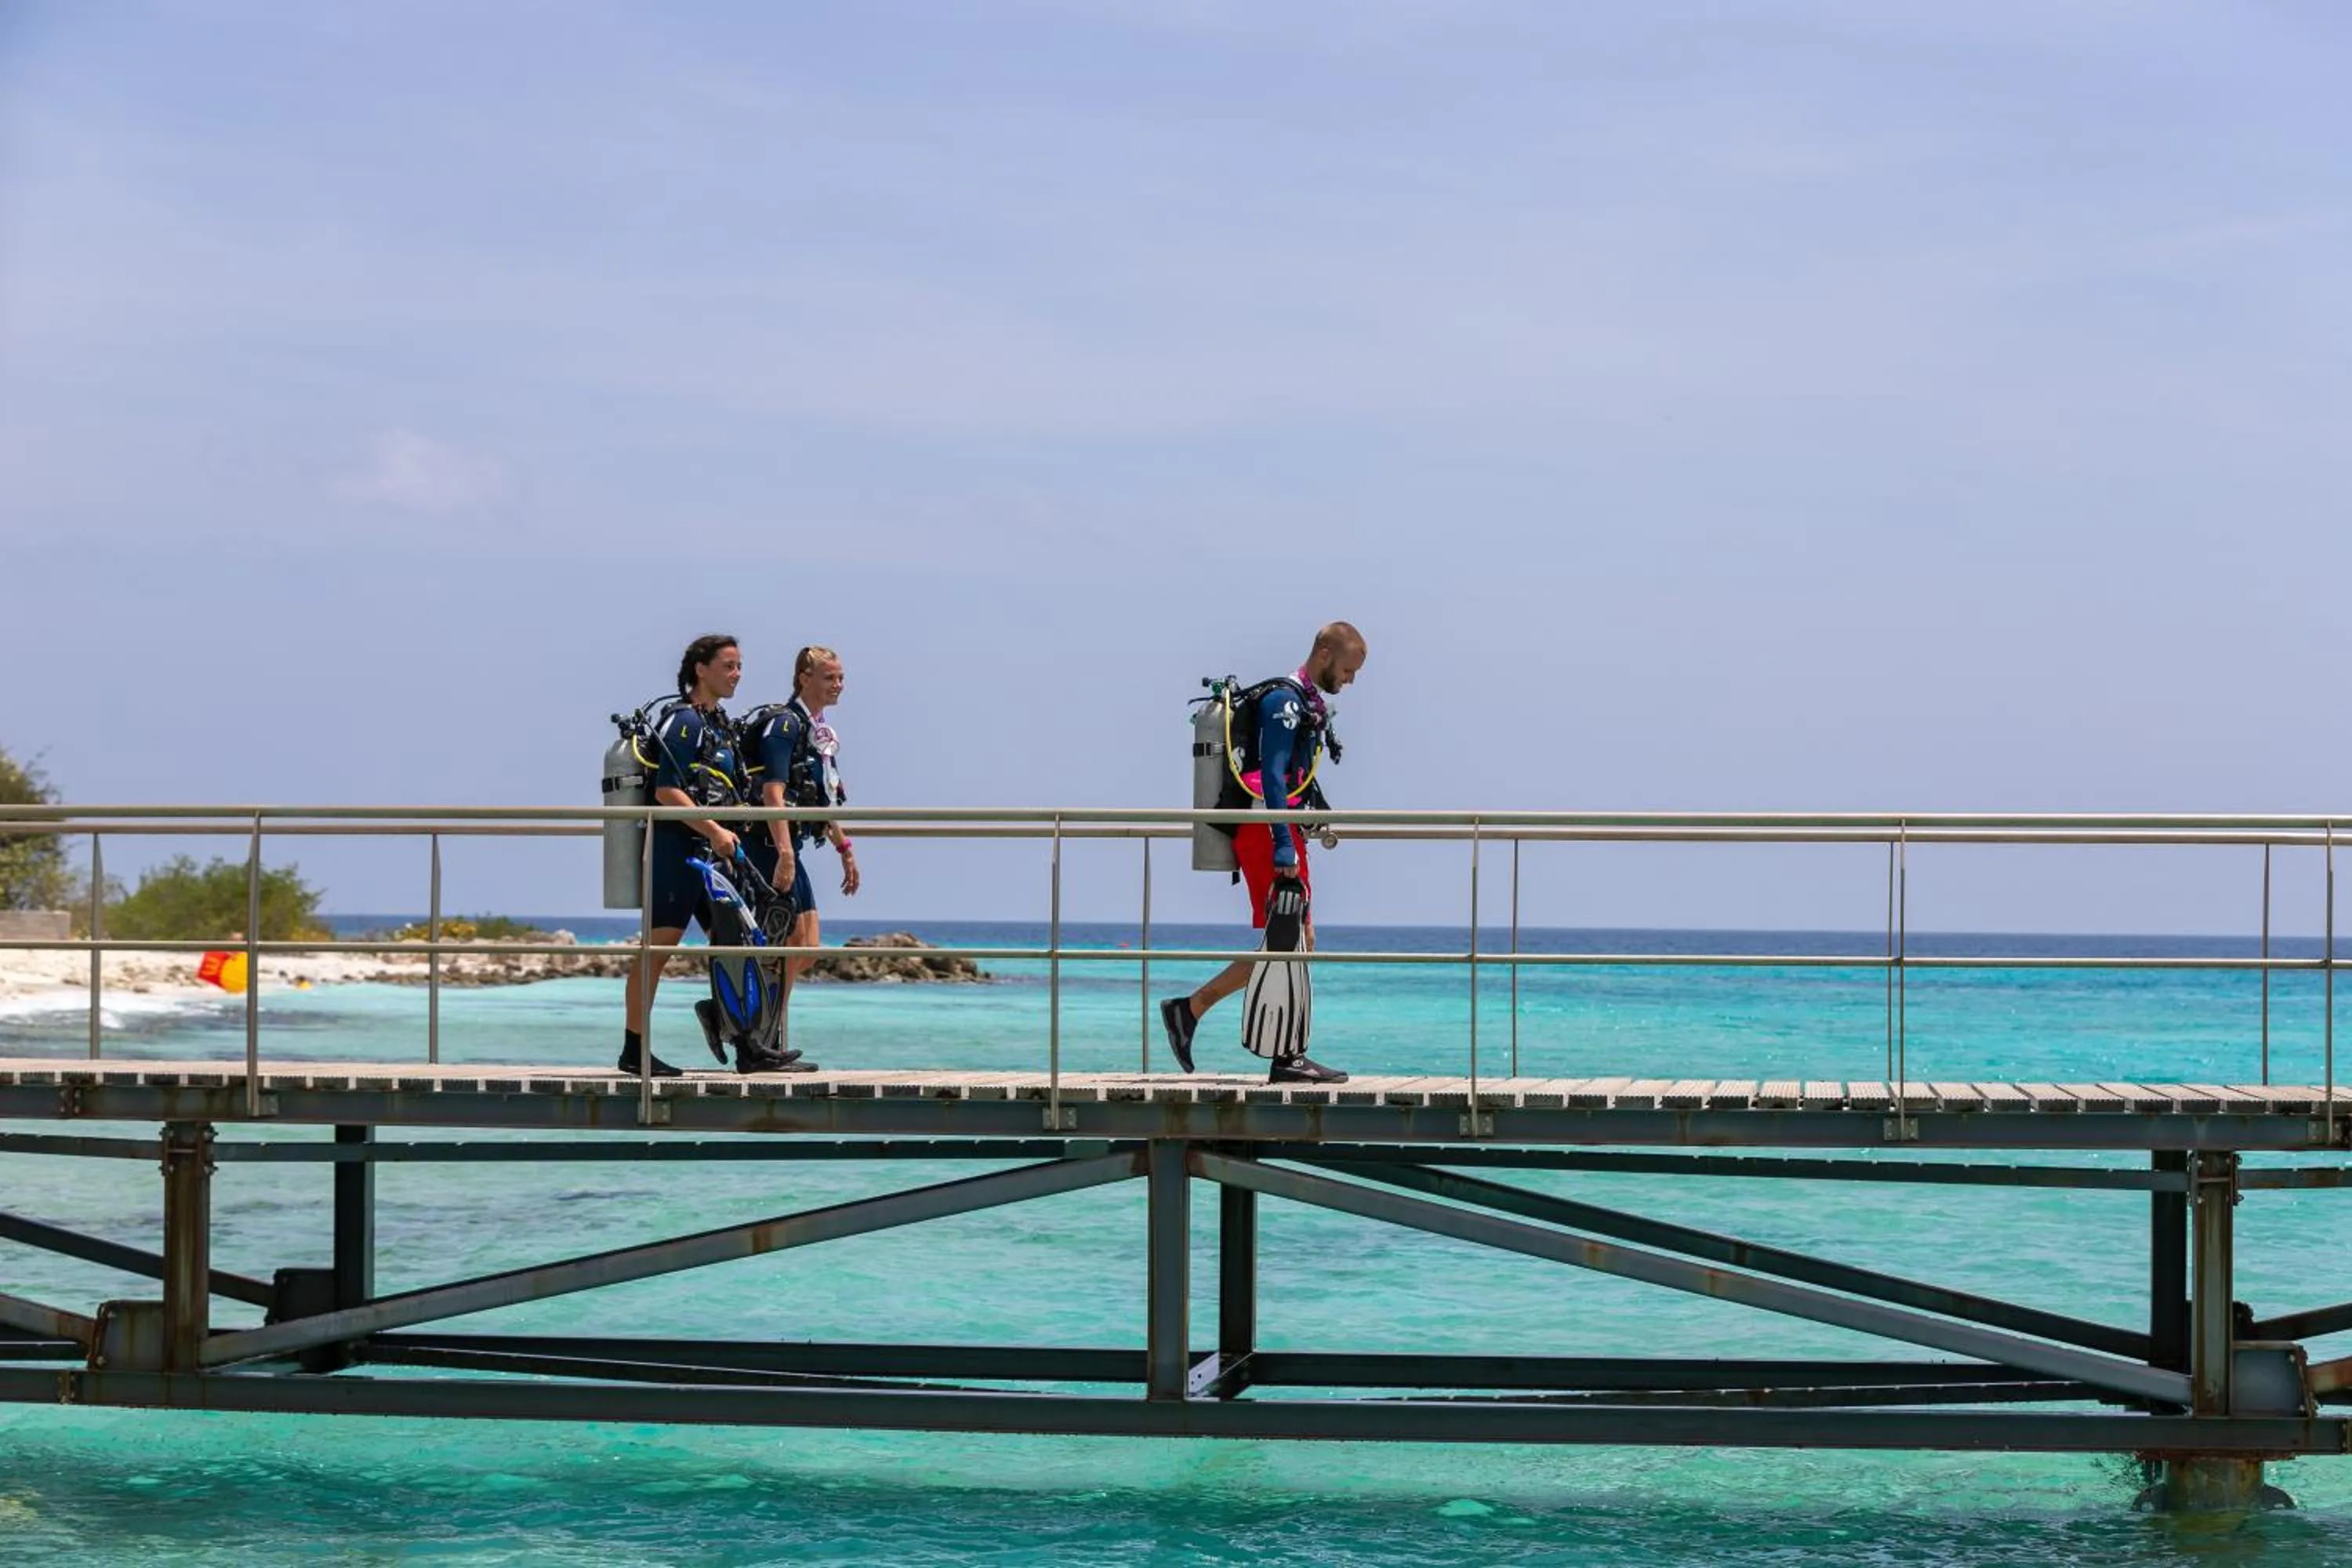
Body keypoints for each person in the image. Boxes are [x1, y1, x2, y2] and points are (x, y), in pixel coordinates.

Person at [1160, 622, 1366, 1083]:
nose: (1350, 680)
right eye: (1349, 669)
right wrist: (1281, 843)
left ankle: (1193, 1013)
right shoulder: (1284, 703)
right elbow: (1272, 777)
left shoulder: (1305, 704)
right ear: (1325, 652)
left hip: (1281, 826)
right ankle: (1283, 1054)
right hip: (1269, 831)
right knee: (1291, 939)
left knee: (1294, 939)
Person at [619, 633, 796, 1077]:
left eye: (740, 666)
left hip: (714, 853)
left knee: (733, 945)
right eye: (728, 666)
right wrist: (715, 829)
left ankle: (745, 1043)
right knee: (658, 950)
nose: (737, 674)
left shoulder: (718, 722)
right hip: (678, 852)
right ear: (701, 669)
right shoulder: (685, 721)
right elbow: (665, 791)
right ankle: (634, 1050)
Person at [739, 644, 861, 1051]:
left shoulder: (818, 731)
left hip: (790, 845)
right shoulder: (785, 725)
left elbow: (820, 797)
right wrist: (786, 853)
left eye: (840, 677)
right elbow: (773, 795)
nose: (838, 685)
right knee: (789, 945)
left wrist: (844, 847)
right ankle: (756, 1035)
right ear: (804, 678)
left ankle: (759, 1030)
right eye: (829, 677)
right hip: (769, 845)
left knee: (805, 951)